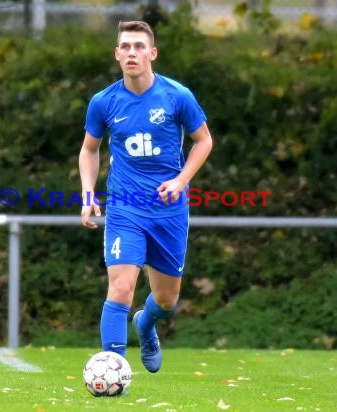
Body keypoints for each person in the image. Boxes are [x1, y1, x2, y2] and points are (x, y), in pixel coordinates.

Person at [79, 20, 213, 373]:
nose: (132, 53)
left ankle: (146, 324)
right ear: (117, 55)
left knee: (167, 300)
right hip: (125, 208)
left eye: (139, 46)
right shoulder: (103, 102)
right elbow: (89, 150)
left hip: (169, 210)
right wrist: (88, 193)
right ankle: (115, 369)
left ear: (152, 53)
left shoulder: (176, 96)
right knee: (121, 287)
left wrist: (181, 181)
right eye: (125, 46)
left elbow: (204, 140)